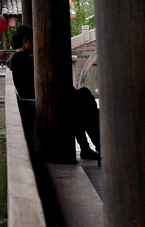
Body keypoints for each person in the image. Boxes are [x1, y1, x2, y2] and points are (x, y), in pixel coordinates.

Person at [7, 25, 100, 160]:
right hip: (42, 104)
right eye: (33, 40)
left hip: (36, 102)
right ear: (25, 41)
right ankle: (96, 147)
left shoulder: (18, 59)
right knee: (84, 101)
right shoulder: (23, 59)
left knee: (80, 102)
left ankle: (89, 147)